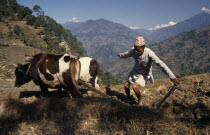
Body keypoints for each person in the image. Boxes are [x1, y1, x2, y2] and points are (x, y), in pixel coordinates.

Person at [117, 36, 180, 106]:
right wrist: (120, 55)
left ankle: (140, 100)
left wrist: (173, 77)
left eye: (138, 50)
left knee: (134, 87)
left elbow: (162, 65)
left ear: (143, 47)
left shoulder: (149, 53)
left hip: (144, 73)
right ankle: (128, 98)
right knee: (126, 85)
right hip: (136, 70)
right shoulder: (133, 51)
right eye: (135, 49)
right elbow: (127, 54)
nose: (136, 51)